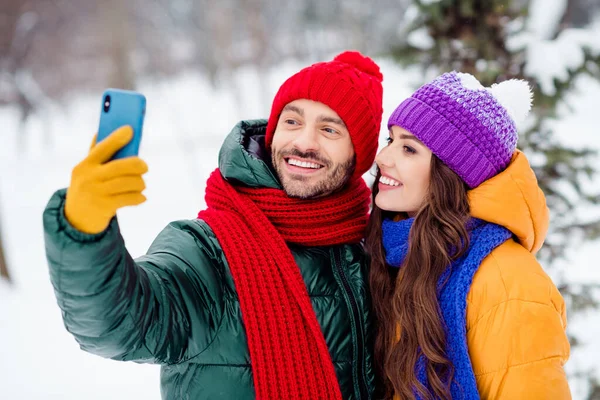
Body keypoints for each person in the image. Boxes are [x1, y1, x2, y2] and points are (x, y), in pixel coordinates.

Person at [43, 51, 384, 399]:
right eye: (292, 121)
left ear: (358, 155)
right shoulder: (206, 248)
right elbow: (117, 325)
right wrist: (82, 230)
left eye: (329, 129)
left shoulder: (374, 249)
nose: (303, 142)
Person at [366, 71, 571, 399]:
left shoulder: (508, 282)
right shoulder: (400, 252)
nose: (382, 158)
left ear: (453, 173)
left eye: (409, 149)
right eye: (391, 140)